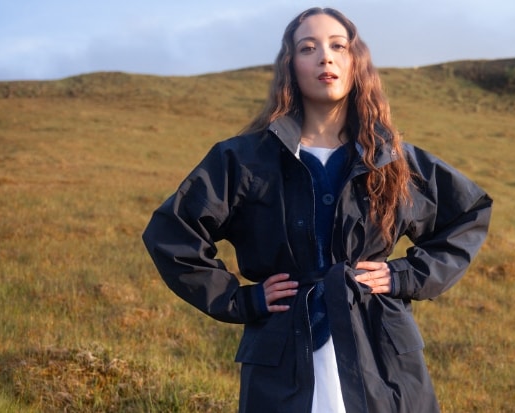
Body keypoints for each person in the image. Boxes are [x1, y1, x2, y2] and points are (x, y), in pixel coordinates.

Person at [142, 6, 492, 413]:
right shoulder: (244, 159)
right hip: (282, 360)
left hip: (380, 358)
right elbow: (172, 233)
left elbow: (468, 214)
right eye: (308, 48)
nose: (325, 57)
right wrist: (240, 300)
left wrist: (404, 275)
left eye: (338, 46)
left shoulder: (392, 159)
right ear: (290, 65)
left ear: (355, 61)